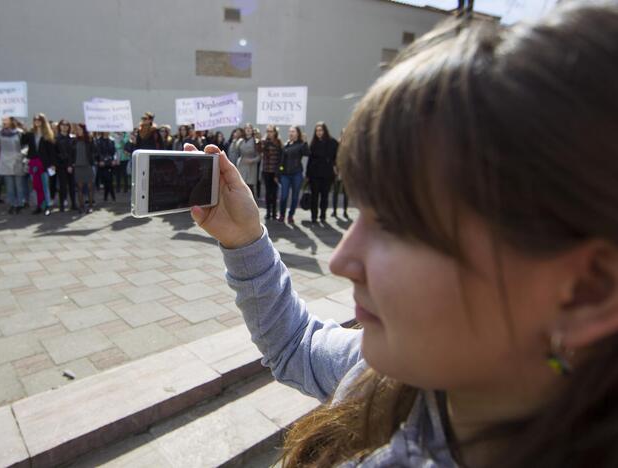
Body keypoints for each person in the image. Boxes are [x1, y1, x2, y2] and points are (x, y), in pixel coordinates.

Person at [188, 3, 618, 467]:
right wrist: (246, 239)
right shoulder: (383, 371)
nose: (341, 260)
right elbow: (297, 346)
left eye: (396, 224)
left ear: (586, 291)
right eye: (361, 210)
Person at [22, 113, 56, 215]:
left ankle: (48, 205)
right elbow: (22, 142)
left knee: (45, 184)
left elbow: (51, 151)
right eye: (35, 120)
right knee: (36, 185)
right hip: (34, 162)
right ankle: (39, 205)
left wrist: (52, 164)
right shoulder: (31, 133)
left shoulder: (47, 134)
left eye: (39, 120)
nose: (37, 122)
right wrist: (24, 131)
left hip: (44, 163)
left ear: (43, 121)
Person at [307, 121, 338, 223]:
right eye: (317, 131)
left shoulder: (333, 142)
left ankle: (323, 215)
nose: (319, 132)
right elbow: (310, 160)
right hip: (314, 174)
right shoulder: (313, 143)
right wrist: (308, 174)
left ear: (325, 131)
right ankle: (314, 216)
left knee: (324, 196)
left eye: (320, 130)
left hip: (327, 173)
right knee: (314, 196)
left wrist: (335, 167)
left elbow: (337, 157)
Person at [278, 126, 309, 223]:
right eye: (290, 131)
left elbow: (307, 153)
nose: (291, 133)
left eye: (293, 131)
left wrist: (305, 142)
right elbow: (281, 161)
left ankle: (291, 215)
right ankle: (282, 214)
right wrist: (279, 172)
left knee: (295, 196)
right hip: (285, 175)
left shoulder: (301, 144)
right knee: (283, 196)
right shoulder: (286, 144)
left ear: (297, 133)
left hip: (296, 174)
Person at [72, 124, 96, 214]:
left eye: (79, 129)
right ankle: (81, 206)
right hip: (78, 167)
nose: (78, 131)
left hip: (88, 166)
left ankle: (90, 206)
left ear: (84, 130)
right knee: (80, 188)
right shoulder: (74, 141)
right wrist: (71, 164)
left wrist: (92, 138)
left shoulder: (89, 140)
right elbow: (72, 153)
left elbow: (94, 151)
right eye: (77, 129)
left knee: (90, 187)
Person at [260, 125, 282, 221]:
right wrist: (262, 141)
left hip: (275, 171)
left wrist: (278, 173)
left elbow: (280, 159)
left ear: (275, 132)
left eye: (271, 131)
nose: (269, 133)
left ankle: (274, 212)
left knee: (274, 193)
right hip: (266, 170)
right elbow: (259, 150)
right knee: (268, 193)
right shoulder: (265, 142)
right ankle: (268, 212)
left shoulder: (278, 142)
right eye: (268, 131)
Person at [55, 119, 77, 211]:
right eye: (63, 125)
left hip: (71, 165)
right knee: (62, 186)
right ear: (59, 126)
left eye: (66, 125)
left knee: (72, 185)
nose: (64, 127)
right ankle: (62, 204)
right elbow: (55, 153)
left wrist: (71, 165)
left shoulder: (72, 138)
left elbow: (74, 153)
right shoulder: (56, 138)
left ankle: (73, 204)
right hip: (61, 165)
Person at [236, 123, 261, 199]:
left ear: (252, 130)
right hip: (242, 165)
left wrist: (252, 160)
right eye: (246, 128)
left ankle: (251, 204)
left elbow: (259, 156)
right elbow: (236, 153)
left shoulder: (256, 141)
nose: (248, 129)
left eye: (250, 128)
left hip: (251, 166)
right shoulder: (240, 141)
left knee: (250, 187)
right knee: (241, 185)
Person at [96, 131, 116, 202]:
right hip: (102, 164)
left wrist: (114, 160)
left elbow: (114, 152)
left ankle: (108, 197)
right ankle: (111, 196)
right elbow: (98, 152)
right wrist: (100, 161)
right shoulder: (98, 141)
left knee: (109, 180)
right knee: (107, 180)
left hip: (110, 163)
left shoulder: (111, 140)